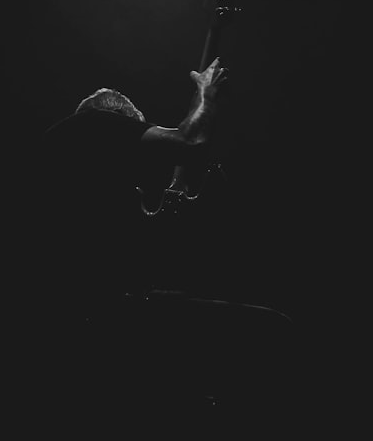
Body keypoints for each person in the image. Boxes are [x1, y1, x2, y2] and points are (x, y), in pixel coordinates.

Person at [33, 57, 229, 308]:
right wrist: (206, 92)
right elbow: (190, 141)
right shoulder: (98, 122)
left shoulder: (62, 151)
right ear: (121, 119)